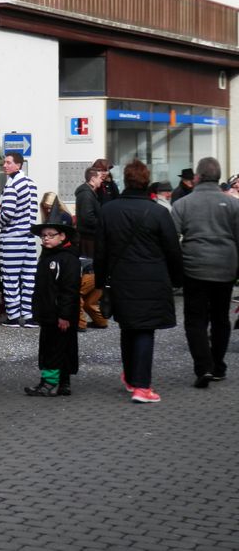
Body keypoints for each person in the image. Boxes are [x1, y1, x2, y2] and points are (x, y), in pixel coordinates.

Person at [96, 160, 183, 404]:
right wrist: (178, 278)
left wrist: (101, 283)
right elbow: (172, 250)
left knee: (127, 326)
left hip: (121, 278)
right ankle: (142, 387)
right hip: (152, 279)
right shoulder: (158, 212)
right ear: (146, 181)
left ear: (125, 180)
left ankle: (131, 377)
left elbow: (101, 252)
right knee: (145, 329)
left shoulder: (109, 211)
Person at [171, 156, 239, 388]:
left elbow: (172, 238)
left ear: (198, 177)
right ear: (219, 177)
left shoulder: (183, 204)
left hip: (194, 267)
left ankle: (203, 367)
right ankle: (218, 365)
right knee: (221, 318)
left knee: (195, 319)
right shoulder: (233, 204)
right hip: (226, 267)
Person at [23, 221, 80, 397]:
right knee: (55, 346)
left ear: (62, 236)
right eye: (43, 235)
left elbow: (69, 289)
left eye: (50, 235)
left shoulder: (67, 258)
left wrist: (64, 315)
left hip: (59, 314)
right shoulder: (47, 256)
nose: (46, 239)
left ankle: (49, 383)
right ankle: (63, 382)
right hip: (48, 312)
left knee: (55, 348)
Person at [0, 151, 38, 327]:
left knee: (11, 278)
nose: (5, 165)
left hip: (13, 238)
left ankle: (13, 316)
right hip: (29, 237)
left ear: (18, 165)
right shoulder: (31, 183)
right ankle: (29, 316)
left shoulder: (12, 185)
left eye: (8, 162)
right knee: (29, 278)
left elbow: (7, 213)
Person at [75, 167, 104, 258]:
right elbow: (88, 218)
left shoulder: (89, 193)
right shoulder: (86, 194)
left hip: (89, 237)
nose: (101, 180)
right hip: (88, 238)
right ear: (93, 179)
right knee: (89, 266)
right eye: (99, 177)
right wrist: (102, 225)